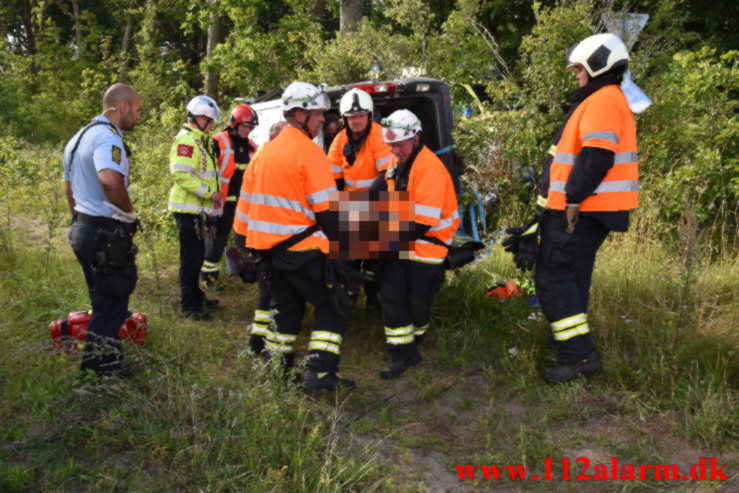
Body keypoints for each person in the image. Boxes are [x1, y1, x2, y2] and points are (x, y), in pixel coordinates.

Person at [503, 33, 639, 383]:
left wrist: (569, 204)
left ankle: (577, 356)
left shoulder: (604, 100)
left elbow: (596, 158)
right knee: (572, 277)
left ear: (598, 65)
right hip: (589, 210)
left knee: (554, 278)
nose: (577, 76)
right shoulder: (604, 98)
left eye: (580, 69)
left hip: (582, 211)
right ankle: (574, 346)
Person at [246, 81, 355, 391]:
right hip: (302, 250)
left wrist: (244, 243)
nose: (323, 120)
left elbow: (250, 204)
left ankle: (278, 373)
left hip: (269, 253)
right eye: (317, 114)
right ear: (299, 114)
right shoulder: (309, 152)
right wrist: (342, 251)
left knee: (287, 308)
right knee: (334, 304)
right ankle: (319, 373)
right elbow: (328, 212)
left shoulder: (267, 152)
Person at [374, 109, 460, 379]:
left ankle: (416, 338)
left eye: (399, 144)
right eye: (391, 145)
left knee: (417, 303)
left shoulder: (429, 167)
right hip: (404, 242)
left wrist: (379, 237)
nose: (395, 150)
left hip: (427, 246)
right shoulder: (397, 162)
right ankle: (402, 353)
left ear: (416, 138)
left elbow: (421, 222)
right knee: (391, 295)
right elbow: (386, 195)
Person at [63, 82, 142, 377]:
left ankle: (107, 360)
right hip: (104, 235)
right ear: (122, 107)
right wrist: (129, 215)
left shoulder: (77, 137)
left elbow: (69, 190)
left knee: (101, 300)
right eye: (136, 110)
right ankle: (99, 375)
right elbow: (110, 181)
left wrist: (80, 223)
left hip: (83, 228)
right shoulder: (107, 139)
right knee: (111, 303)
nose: (138, 116)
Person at [327, 88, 394, 309]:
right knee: (348, 261)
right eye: (352, 116)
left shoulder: (380, 135)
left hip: (379, 204)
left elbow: (387, 174)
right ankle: (349, 298)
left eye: (361, 115)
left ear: (370, 115)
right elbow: (333, 179)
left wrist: (364, 204)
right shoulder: (338, 141)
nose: (356, 121)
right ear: (344, 118)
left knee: (379, 260)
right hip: (348, 208)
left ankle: (375, 300)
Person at [233, 120, 286, 355]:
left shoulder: (261, 155)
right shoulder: (270, 161)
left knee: (266, 289)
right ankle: (268, 344)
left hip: (253, 234)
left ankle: (258, 336)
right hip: (264, 237)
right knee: (274, 290)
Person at [168, 95, 224, 320]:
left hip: (198, 210)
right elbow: (180, 174)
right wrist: (210, 193)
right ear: (199, 118)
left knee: (198, 256)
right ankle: (188, 305)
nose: (212, 126)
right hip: (187, 210)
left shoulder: (200, 140)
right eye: (210, 122)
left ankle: (196, 295)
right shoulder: (186, 141)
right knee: (190, 259)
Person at [200, 104, 259, 292]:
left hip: (243, 205)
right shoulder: (217, 141)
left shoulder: (252, 147)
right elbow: (205, 172)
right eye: (247, 126)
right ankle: (209, 277)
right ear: (235, 123)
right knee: (217, 241)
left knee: (247, 241)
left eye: (252, 127)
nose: (249, 130)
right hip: (220, 203)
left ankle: (245, 271)